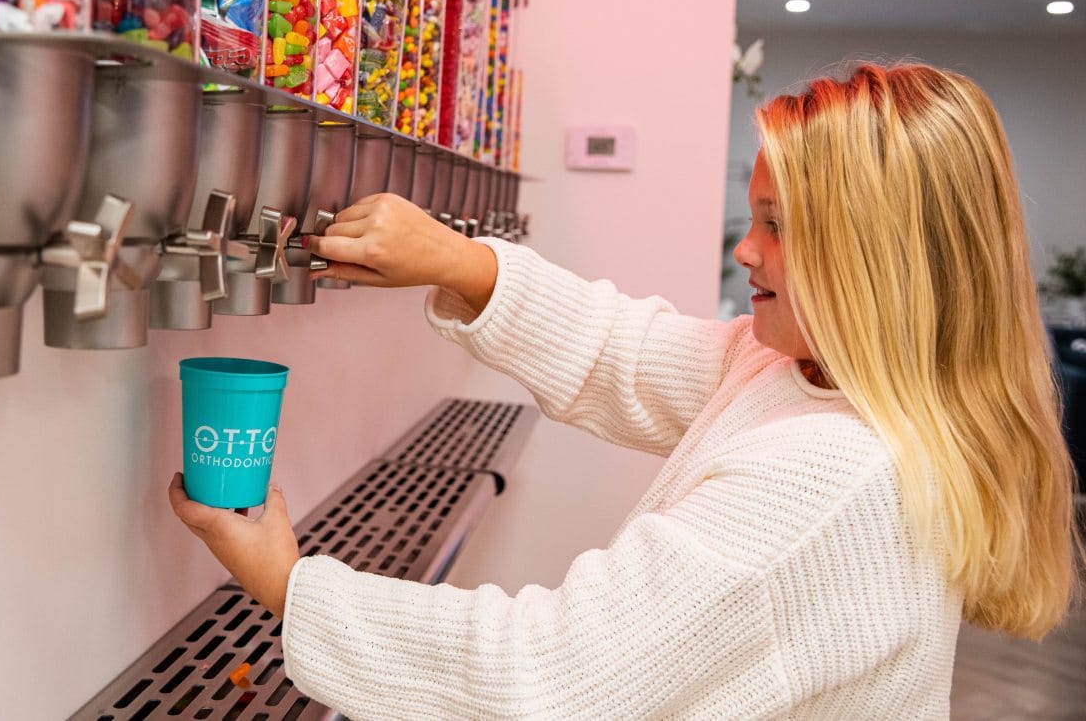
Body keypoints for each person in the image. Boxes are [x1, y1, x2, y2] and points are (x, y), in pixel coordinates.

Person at [170, 63, 1082, 718]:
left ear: (879, 263)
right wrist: (458, 260)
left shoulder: (828, 484)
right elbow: (627, 352)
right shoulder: (815, 375)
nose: (745, 249)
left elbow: (545, 675)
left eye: (777, 226)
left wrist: (287, 582)